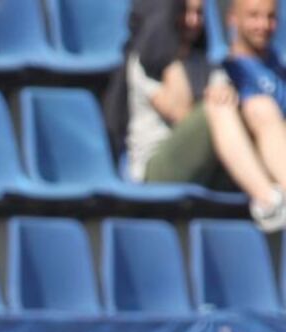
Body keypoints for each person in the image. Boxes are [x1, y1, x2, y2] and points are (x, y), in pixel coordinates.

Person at [106, 0, 286, 230]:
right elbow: (180, 111)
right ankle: (269, 202)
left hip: (206, 167)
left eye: (199, 13)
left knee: (260, 106)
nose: (193, 20)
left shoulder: (206, 64)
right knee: (217, 106)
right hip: (156, 170)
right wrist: (175, 57)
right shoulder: (144, 61)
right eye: (185, 12)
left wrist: (228, 97)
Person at [223, 0, 286, 201]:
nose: (264, 25)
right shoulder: (229, 73)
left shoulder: (279, 66)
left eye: (270, 17)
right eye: (254, 16)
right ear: (233, 18)